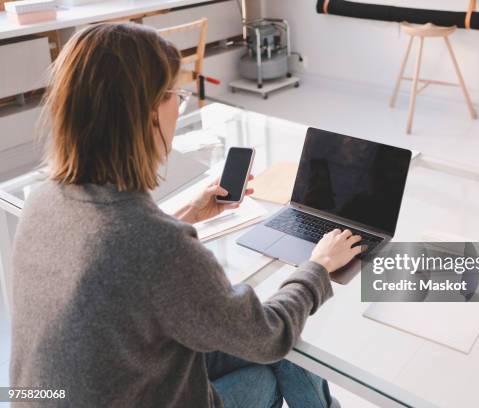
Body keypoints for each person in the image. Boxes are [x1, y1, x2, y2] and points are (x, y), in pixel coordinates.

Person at [10, 23, 365, 407]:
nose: (180, 108)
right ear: (145, 114)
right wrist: (317, 267)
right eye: (176, 96)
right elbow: (269, 336)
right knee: (282, 355)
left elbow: (112, 256)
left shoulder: (41, 199)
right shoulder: (155, 246)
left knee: (279, 347)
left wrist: (184, 214)